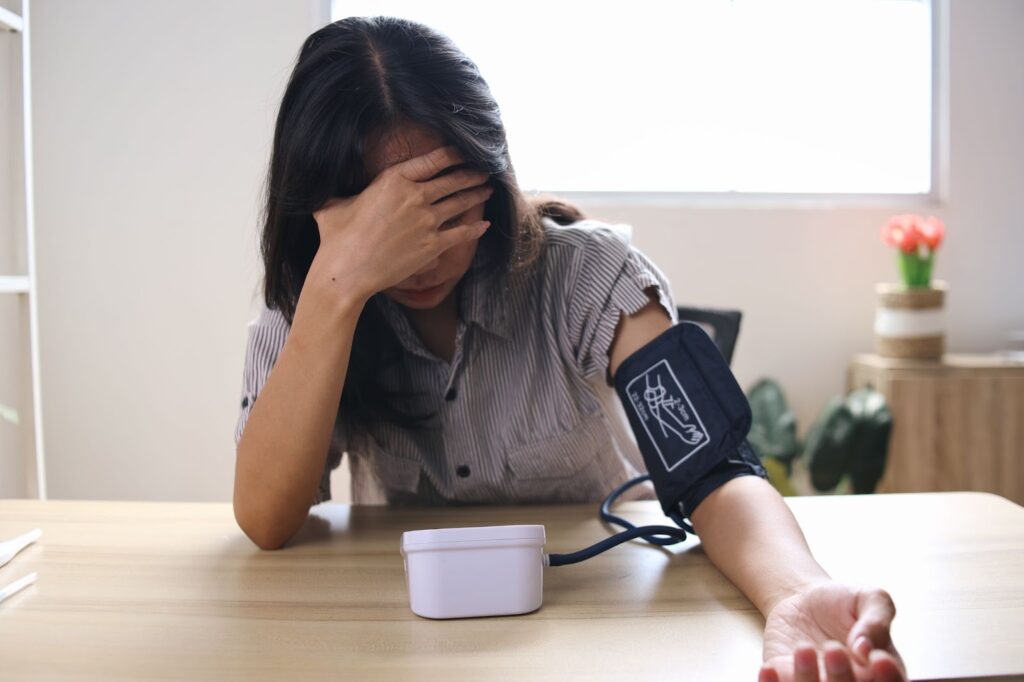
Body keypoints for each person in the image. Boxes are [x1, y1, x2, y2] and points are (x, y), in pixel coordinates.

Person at [233, 15, 907, 682]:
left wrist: (794, 590)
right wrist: (337, 288)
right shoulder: (306, 308)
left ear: (491, 176)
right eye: (383, 226)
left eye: (443, 208)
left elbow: (714, 471)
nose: (422, 254)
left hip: (604, 628)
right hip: (408, 645)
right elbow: (266, 519)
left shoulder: (588, 275)